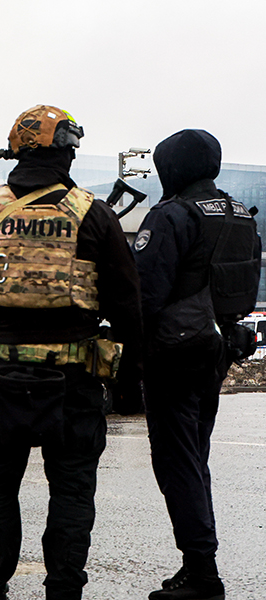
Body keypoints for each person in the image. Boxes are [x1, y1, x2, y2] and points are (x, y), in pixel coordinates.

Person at [0, 105, 143, 600]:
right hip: (73, 385)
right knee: (72, 493)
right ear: (66, 152)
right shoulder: (93, 216)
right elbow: (128, 309)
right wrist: (127, 384)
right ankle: (63, 590)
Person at [134, 129, 260, 600]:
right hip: (218, 348)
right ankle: (198, 563)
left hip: (174, 351)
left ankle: (203, 571)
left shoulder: (171, 216)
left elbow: (146, 294)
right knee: (195, 457)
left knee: (177, 460)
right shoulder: (238, 214)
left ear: (172, 166)